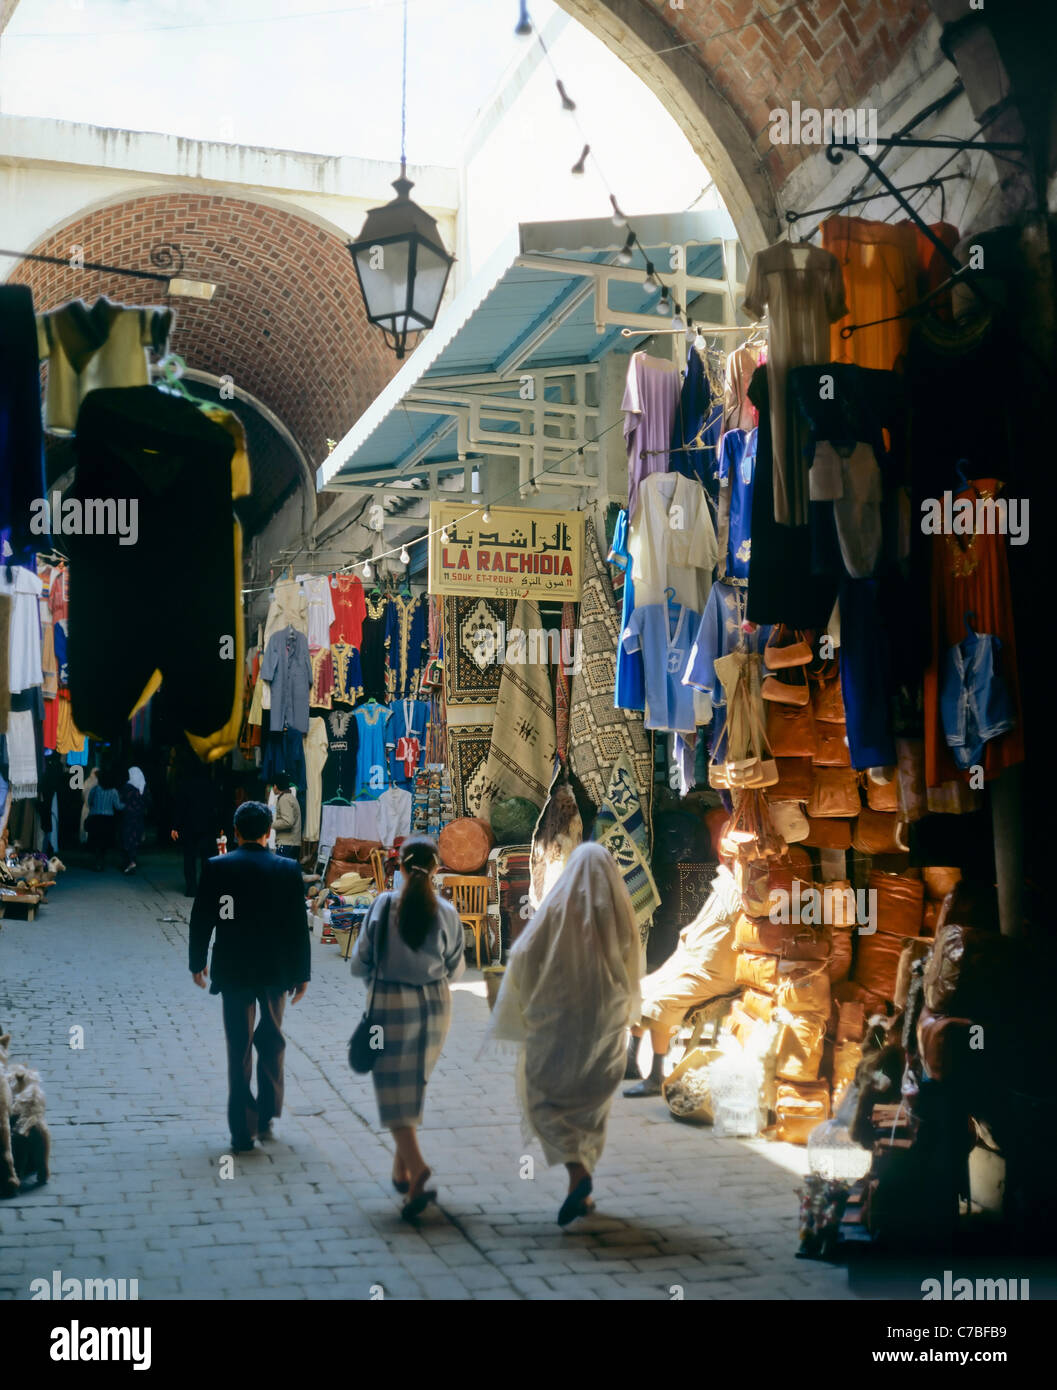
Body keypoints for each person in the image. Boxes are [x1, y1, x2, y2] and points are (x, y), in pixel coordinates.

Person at [488, 841, 641, 1226]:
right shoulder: (619, 911)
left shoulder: (554, 908)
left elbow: (522, 954)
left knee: (545, 1098)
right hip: (602, 1022)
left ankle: (578, 1175)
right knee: (590, 1105)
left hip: (556, 1021)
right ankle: (581, 1182)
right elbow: (631, 960)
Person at [350, 836, 465, 1221]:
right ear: (437, 870)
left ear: (399, 867)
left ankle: (417, 1167)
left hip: (389, 1005)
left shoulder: (383, 904)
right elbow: (456, 968)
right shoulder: (448, 912)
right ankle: (402, 1173)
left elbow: (359, 961)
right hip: (436, 1006)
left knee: (391, 1088)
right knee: (414, 1082)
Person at [188, 800, 310, 1152]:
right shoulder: (287, 869)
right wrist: (302, 973)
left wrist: (198, 962)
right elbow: (297, 927)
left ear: (235, 832)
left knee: (238, 1046)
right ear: (269, 832)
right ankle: (268, 1113)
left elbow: (202, 918)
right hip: (275, 970)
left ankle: (243, 1128)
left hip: (234, 968)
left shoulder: (217, 867)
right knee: (272, 1040)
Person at [623, 851, 742, 1096]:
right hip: (690, 960)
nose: (728, 859)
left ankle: (656, 1076)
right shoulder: (726, 882)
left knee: (662, 1002)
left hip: (713, 974)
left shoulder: (748, 893)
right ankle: (631, 1063)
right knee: (639, 991)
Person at [171, 750, 222, 896]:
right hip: (208, 826)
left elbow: (180, 807)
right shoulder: (211, 785)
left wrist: (175, 826)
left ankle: (191, 888)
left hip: (189, 826)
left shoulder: (184, 784)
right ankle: (205, 888)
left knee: (189, 857)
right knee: (207, 857)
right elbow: (217, 806)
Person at [85, 769, 123, 871]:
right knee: (105, 842)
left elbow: (89, 802)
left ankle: (97, 862)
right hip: (108, 820)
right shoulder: (113, 791)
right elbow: (118, 806)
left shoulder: (95, 789)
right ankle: (101, 862)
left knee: (96, 840)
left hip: (95, 818)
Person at [119, 767, 150, 875]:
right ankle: (132, 860)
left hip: (128, 817)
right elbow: (148, 802)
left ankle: (129, 862)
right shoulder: (143, 787)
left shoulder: (127, 787)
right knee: (135, 839)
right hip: (139, 818)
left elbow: (121, 800)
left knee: (127, 839)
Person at [272, 773, 302, 862]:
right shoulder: (289, 797)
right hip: (291, 843)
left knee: (281, 874)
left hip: (286, 844)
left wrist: (270, 824)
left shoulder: (284, 799)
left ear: (276, 786)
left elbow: (287, 821)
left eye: (273, 785)